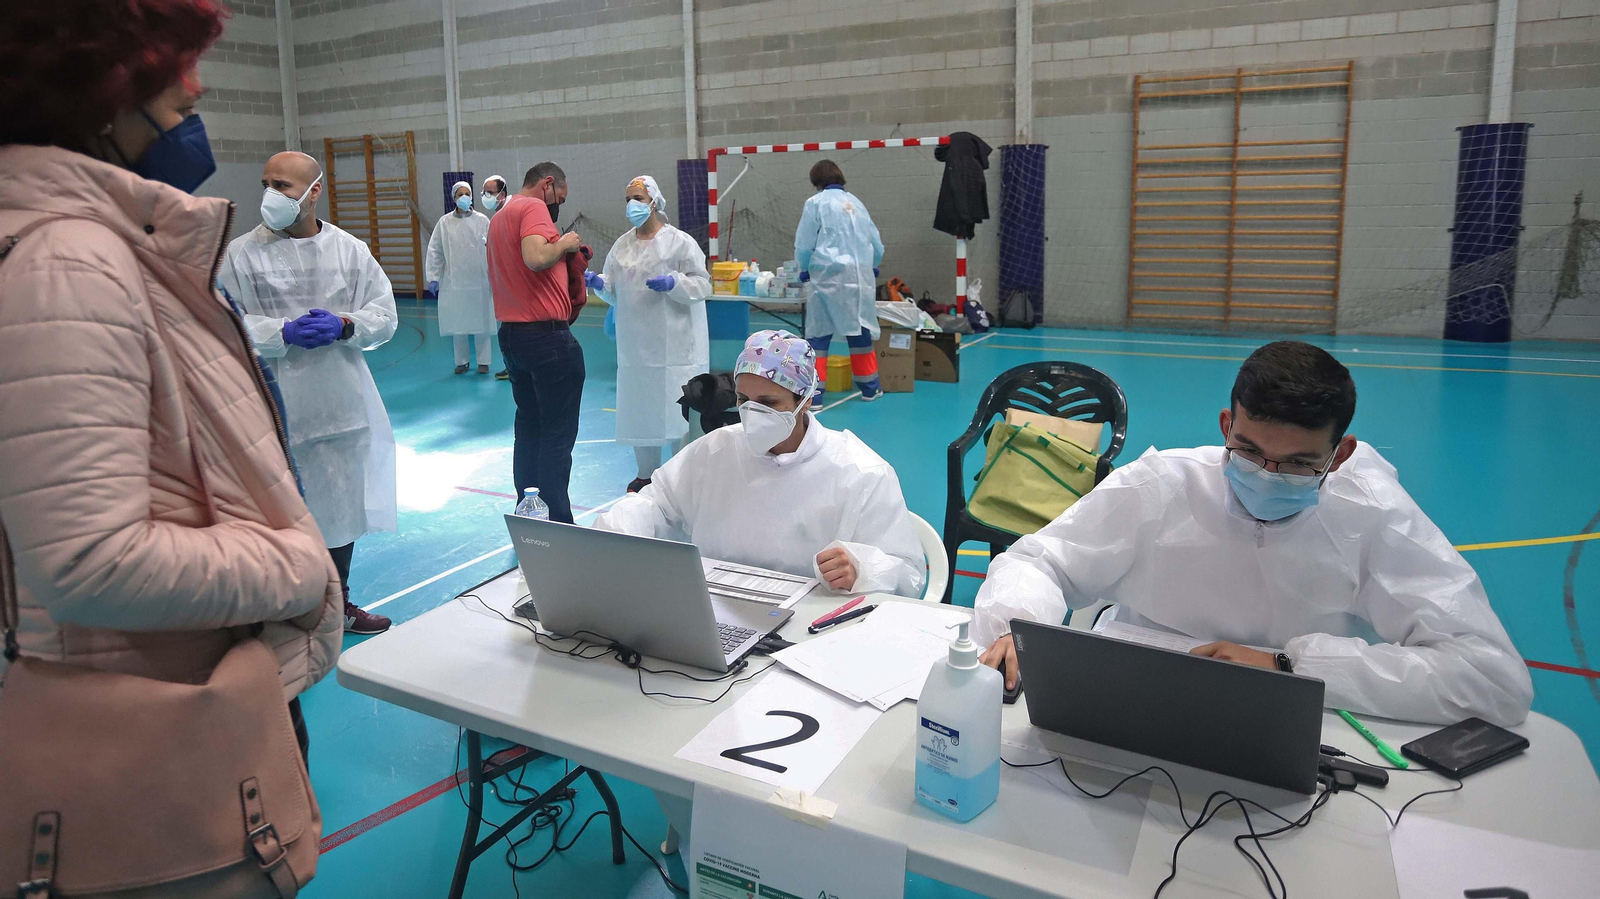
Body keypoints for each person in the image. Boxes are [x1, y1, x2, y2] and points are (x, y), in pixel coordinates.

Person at [0, 0, 340, 804]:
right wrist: (299, 566)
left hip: (174, 681)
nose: (195, 97)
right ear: (104, 95)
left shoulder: (96, 247)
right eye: (178, 98)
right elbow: (90, 560)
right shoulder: (68, 261)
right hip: (157, 711)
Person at [973, 341, 1534, 727]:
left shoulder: (1371, 513)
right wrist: (1017, 628)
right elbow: (1039, 561)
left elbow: (1493, 677)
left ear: (1341, 454)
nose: (1267, 475)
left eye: (1297, 464)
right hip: (1132, 687)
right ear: (1226, 425)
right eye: (1248, 451)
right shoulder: (1165, 482)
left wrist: (1293, 667)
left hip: (1285, 709)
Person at [598, 330, 924, 596]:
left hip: (811, 628)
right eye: (743, 400)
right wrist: (609, 537)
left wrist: (861, 568)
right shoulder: (714, 451)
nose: (753, 414)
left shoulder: (859, 472)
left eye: (768, 403)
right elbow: (656, 504)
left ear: (806, 400)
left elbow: (909, 572)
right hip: (713, 608)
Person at [220, 151, 399, 636]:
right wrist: (280, 332)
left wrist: (345, 324)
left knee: (341, 509)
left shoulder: (349, 250)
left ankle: (336, 604)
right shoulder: (240, 254)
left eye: (282, 184)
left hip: (340, 403)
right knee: (276, 515)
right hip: (272, 408)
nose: (270, 194)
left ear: (313, 190)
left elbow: (384, 314)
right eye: (265, 182)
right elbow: (223, 322)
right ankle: (278, 612)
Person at [587, 175, 711, 492]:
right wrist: (600, 284)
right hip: (637, 346)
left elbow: (703, 284)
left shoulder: (679, 243)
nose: (632, 204)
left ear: (654, 201)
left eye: (638, 198)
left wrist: (675, 283)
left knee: (677, 409)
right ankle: (646, 473)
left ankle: (682, 478)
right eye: (628, 198)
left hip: (677, 347)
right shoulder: (622, 246)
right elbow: (615, 290)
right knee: (640, 408)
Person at [487, 162, 588, 523]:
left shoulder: (500, 215)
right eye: (558, 196)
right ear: (547, 184)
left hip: (513, 337)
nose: (557, 204)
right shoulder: (532, 208)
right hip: (546, 337)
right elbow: (535, 258)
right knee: (557, 434)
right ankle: (558, 519)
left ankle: (528, 510)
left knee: (528, 428)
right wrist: (566, 242)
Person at [794, 160, 885, 402]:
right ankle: (870, 388)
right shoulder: (857, 204)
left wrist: (803, 267)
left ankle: (815, 396)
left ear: (816, 182)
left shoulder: (815, 204)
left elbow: (805, 242)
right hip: (859, 279)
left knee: (818, 334)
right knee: (860, 330)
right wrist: (872, 265)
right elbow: (876, 243)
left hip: (826, 277)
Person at [426, 180, 496, 374]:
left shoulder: (482, 220)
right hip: (454, 282)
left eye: (467, 193)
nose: (464, 197)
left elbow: (492, 248)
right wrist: (433, 276)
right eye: (460, 194)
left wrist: (495, 275)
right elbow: (435, 250)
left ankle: (484, 362)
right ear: (454, 198)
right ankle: (462, 362)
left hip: (480, 280)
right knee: (459, 324)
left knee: (481, 324)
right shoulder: (445, 223)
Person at [480, 174, 513, 380]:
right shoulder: (497, 218)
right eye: (484, 192)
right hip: (503, 282)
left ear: (502, 194)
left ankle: (515, 366)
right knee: (507, 327)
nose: (486, 196)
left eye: (490, 192)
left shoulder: (510, 213)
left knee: (513, 328)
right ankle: (511, 365)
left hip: (515, 283)